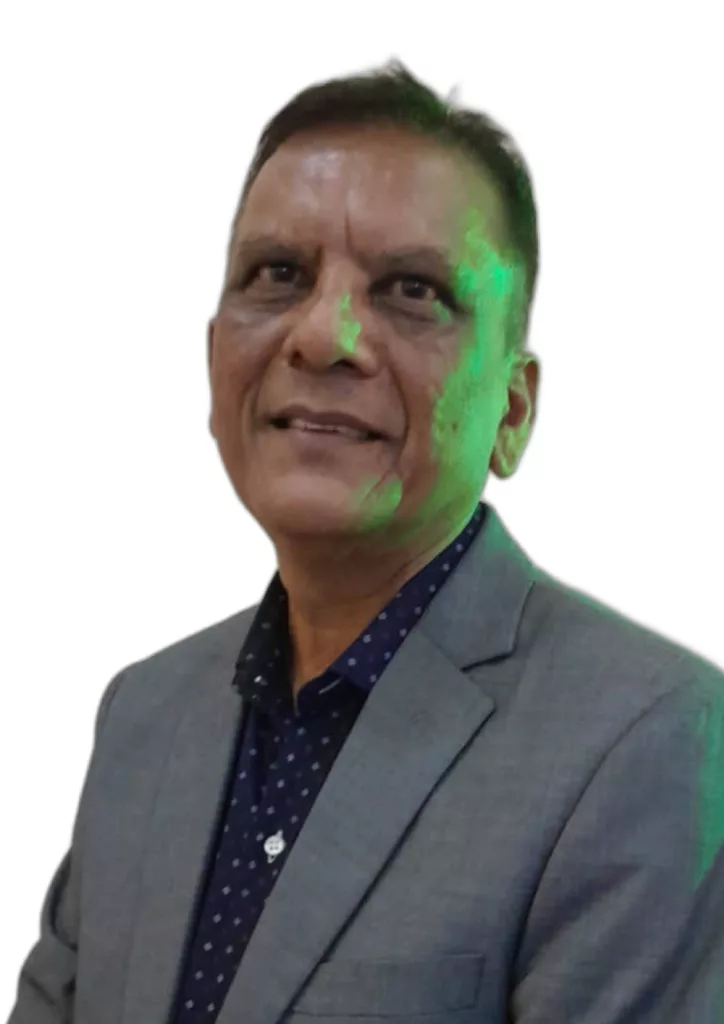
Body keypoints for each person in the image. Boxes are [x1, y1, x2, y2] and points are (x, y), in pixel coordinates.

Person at [8, 61, 724, 1024]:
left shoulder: (655, 743)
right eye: (279, 275)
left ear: (513, 410)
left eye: (411, 290)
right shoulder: (144, 715)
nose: (323, 335)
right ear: (214, 359)